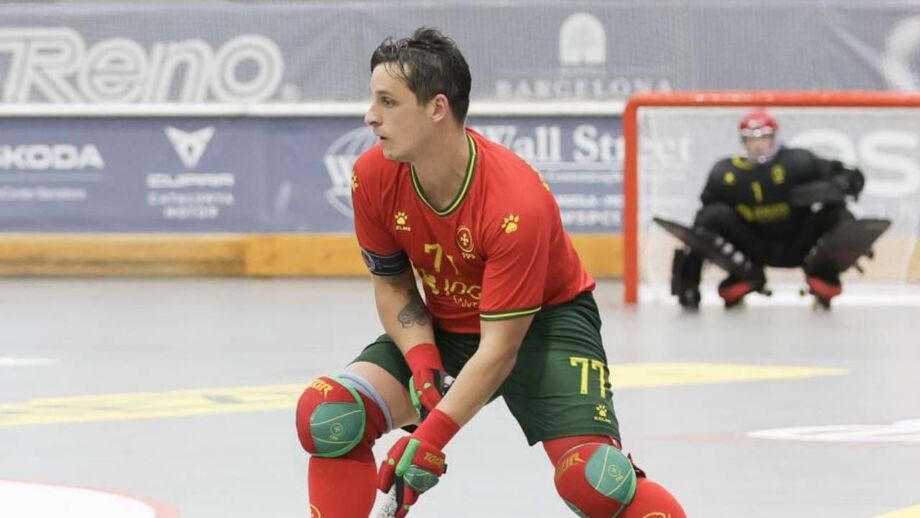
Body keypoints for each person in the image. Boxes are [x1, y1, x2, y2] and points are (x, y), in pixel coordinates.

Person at [296, 27, 685, 518]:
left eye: (388, 102)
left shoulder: (515, 203)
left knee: (594, 480)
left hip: (547, 329)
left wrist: (430, 439)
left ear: (437, 108)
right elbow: (392, 283)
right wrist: (422, 359)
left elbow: (500, 349)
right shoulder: (371, 176)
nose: (370, 115)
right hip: (449, 325)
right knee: (328, 413)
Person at [671, 109, 865, 309]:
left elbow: (852, 177)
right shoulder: (725, 174)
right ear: (743, 141)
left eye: (764, 138)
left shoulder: (798, 162)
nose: (758, 145)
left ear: (774, 137)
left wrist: (832, 188)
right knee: (709, 217)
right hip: (753, 246)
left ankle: (824, 272)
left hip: (799, 239)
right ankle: (710, 281)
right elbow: (704, 217)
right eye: (751, 139)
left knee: (838, 214)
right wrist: (689, 275)